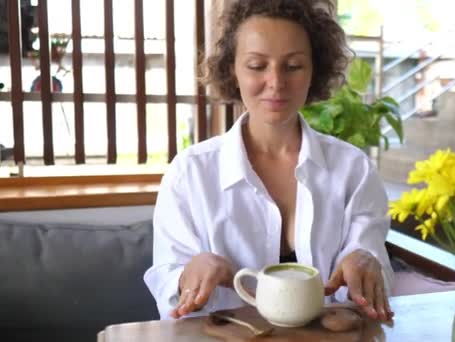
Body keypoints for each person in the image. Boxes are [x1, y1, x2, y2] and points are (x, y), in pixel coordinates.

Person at [144, 0, 394, 322]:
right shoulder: (190, 174)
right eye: (257, 65)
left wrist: (366, 266)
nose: (276, 82)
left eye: (293, 66)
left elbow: (375, 277)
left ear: (314, 70)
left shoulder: (353, 171)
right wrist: (187, 276)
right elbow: (167, 284)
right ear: (232, 69)